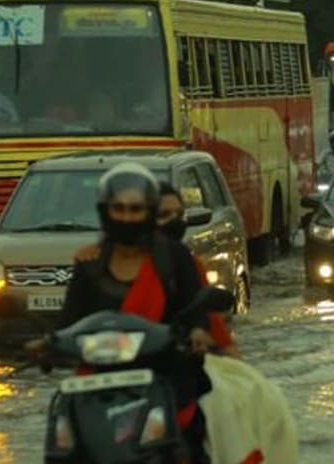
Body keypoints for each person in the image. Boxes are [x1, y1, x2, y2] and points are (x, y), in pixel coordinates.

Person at [41, 163, 214, 457]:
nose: (127, 217)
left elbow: (196, 307)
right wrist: (47, 345)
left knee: (186, 449)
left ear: (148, 212)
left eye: (136, 209)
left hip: (164, 381)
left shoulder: (174, 259)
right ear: (105, 211)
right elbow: (69, 321)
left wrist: (197, 332)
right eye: (118, 208)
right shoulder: (90, 263)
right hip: (98, 387)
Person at [75, 180, 240, 358]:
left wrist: (200, 334)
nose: (174, 221)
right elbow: (69, 324)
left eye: (179, 214)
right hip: (105, 364)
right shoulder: (93, 261)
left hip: (163, 365)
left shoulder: (182, 261)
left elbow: (209, 323)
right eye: (164, 214)